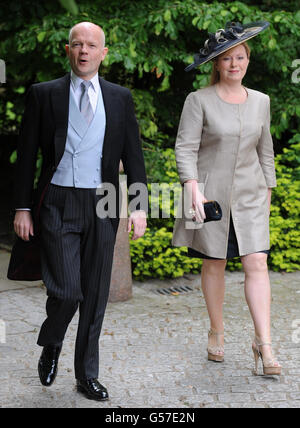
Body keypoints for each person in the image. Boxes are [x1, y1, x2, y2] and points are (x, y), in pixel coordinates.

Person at [12, 21, 147, 401]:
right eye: (77, 44)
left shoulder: (120, 98)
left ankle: (87, 374)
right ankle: (52, 340)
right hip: (56, 199)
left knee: (95, 294)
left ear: (104, 53)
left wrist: (138, 207)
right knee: (68, 291)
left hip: (103, 199)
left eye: (92, 45)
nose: (84, 51)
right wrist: (22, 207)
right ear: (68, 50)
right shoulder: (44, 94)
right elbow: (26, 157)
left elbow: (133, 157)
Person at [172, 21, 281, 376]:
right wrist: (191, 186)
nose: (234, 64)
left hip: (251, 196)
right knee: (214, 262)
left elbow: (267, 152)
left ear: (248, 60)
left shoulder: (262, 102)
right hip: (208, 196)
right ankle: (216, 330)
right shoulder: (197, 100)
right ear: (216, 64)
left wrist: (268, 190)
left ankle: (263, 343)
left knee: (257, 263)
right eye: (226, 59)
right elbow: (185, 148)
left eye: (240, 57)